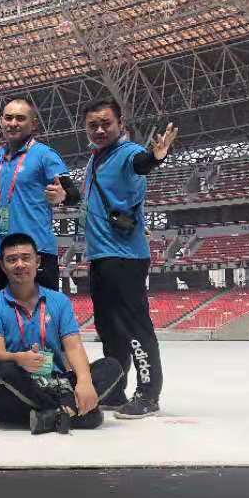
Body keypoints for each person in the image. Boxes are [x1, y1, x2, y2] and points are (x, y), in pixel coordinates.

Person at [80, 101, 178, 418]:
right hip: (100, 256)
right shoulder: (95, 159)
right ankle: (114, 389)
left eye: (106, 123)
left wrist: (156, 156)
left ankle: (148, 393)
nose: (99, 130)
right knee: (109, 329)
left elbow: (141, 163)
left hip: (124, 256)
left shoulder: (127, 153)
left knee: (135, 326)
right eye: (93, 125)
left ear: (120, 123)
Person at [0, 233, 125, 434]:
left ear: (37, 261)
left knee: (111, 366)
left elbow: (73, 346)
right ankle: (75, 412)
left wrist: (84, 381)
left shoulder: (59, 301)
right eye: (12, 260)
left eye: (26, 258)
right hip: (19, 387)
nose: (20, 264)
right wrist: (19, 358)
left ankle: (51, 416)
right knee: (3, 371)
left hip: (56, 382)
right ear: (3, 266)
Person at [0, 98, 77, 292]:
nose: (13, 123)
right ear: (1, 122)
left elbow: (73, 194)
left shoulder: (45, 155)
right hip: (3, 253)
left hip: (37, 252)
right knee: (5, 310)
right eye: (8, 118)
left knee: (42, 310)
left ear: (34, 124)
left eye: (20, 118)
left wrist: (62, 195)